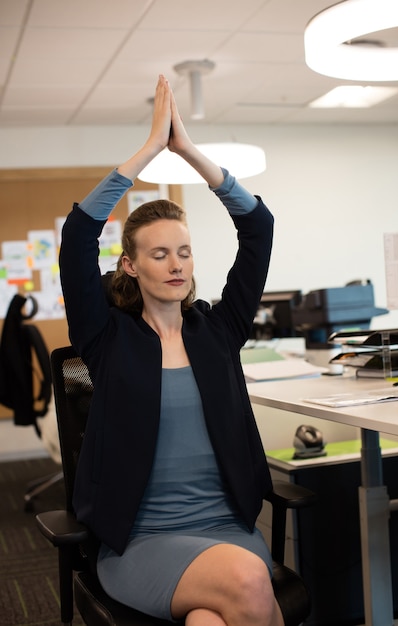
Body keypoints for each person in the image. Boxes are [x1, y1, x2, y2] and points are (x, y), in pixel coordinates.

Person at [59, 75, 281, 626]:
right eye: (159, 254)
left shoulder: (220, 330)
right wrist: (150, 150)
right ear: (131, 266)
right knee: (249, 582)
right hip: (142, 539)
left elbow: (258, 227)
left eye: (183, 251)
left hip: (227, 529)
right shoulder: (107, 339)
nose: (177, 264)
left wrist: (191, 154)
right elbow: (78, 238)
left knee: (209, 619)